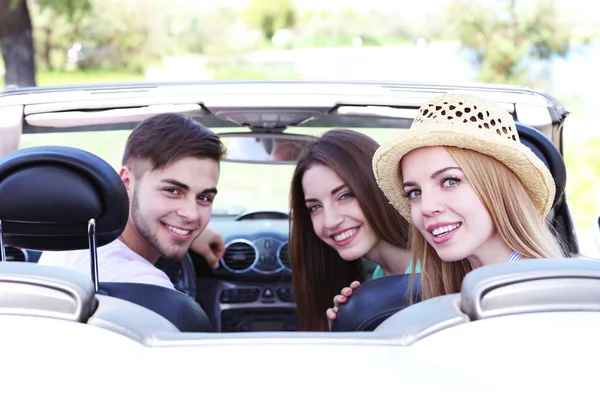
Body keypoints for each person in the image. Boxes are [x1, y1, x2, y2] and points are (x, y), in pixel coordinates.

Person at [365, 92, 566, 301]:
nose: (426, 207)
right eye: (414, 192)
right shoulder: (465, 288)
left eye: (450, 181)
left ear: (498, 188)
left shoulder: (534, 290)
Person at [38, 113, 227, 289]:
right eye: (172, 191)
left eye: (203, 197)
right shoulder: (149, 288)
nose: (191, 214)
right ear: (127, 182)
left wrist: (183, 232)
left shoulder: (68, 247)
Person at [289, 129, 415, 331]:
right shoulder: (380, 276)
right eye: (315, 207)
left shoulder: (437, 275)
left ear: (378, 188)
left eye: (345, 195)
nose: (330, 221)